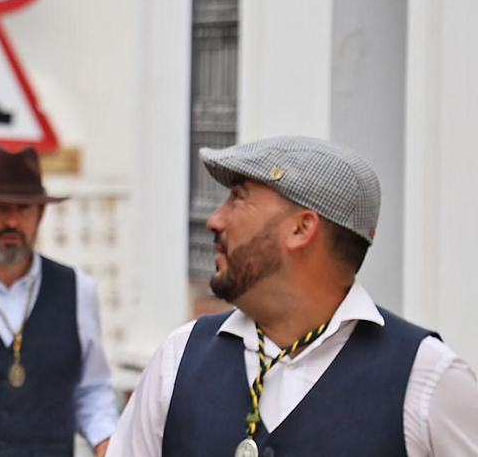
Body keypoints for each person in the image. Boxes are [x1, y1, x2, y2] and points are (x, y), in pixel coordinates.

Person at [109, 136, 478, 457]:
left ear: (302, 228)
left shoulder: (428, 377)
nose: (214, 220)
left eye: (238, 197)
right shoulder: (179, 357)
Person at [0, 145, 117, 456]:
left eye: (24, 209)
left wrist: (107, 443)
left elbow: (91, 390)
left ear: (40, 214)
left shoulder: (79, 289)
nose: (12, 222)